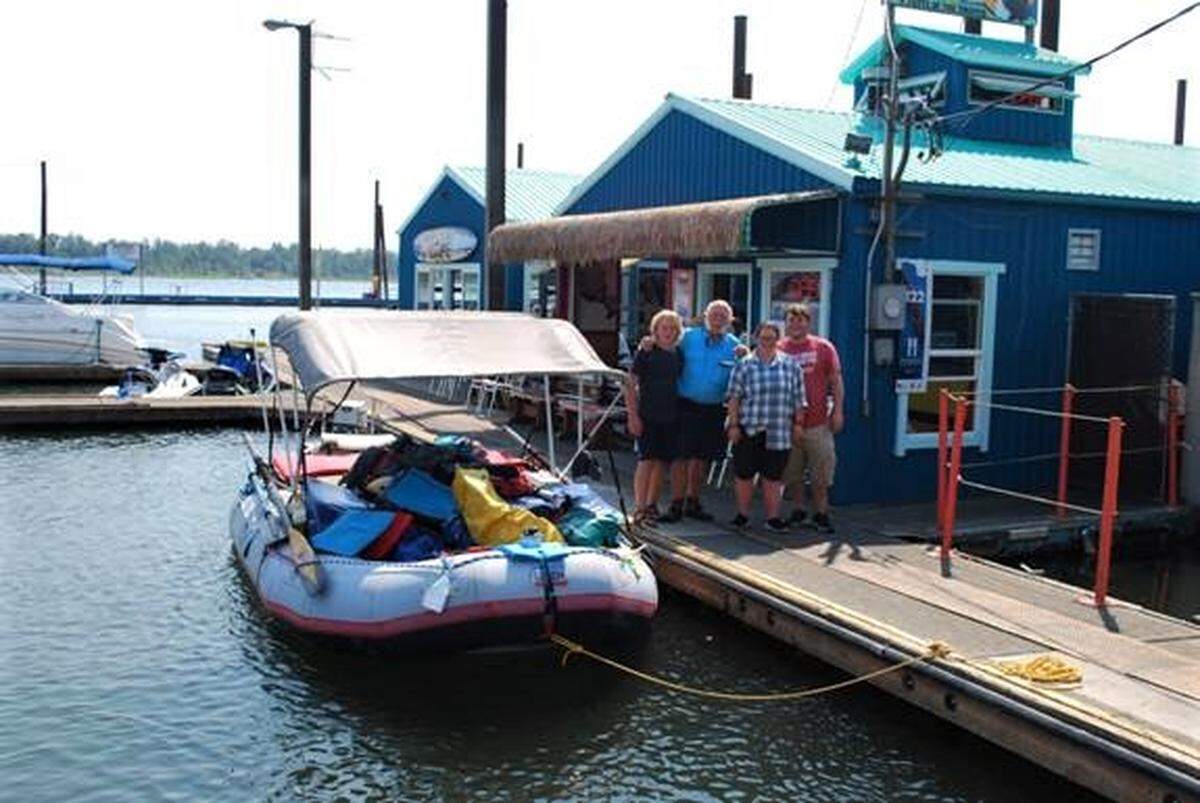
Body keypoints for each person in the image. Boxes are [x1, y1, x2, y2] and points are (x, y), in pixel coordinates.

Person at [653, 300, 744, 523]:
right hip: (685, 404)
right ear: (705, 317)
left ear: (730, 321)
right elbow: (663, 344)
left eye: (723, 316)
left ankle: (693, 501)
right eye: (714, 315)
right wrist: (648, 343)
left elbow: (743, 376)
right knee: (680, 456)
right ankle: (676, 503)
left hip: (714, 408)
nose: (718, 320)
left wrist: (746, 354)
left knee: (701, 458)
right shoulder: (688, 337)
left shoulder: (735, 346)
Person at [726, 321, 806, 532]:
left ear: (778, 340)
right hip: (750, 427)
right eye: (763, 338)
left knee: (773, 476)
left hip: (779, 430)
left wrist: (798, 424)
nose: (767, 342)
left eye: (771, 338)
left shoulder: (791, 365)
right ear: (756, 338)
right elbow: (734, 398)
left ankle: (773, 518)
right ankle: (743, 515)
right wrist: (733, 425)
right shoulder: (744, 365)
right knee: (744, 474)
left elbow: (799, 399)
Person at [778, 302, 844, 534]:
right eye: (791, 320)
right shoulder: (778, 348)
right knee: (793, 471)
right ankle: (798, 510)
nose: (796, 324)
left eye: (801, 320)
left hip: (818, 422)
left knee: (821, 471)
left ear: (808, 323)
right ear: (786, 324)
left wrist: (838, 410)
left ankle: (821, 513)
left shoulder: (824, 347)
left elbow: (836, 381)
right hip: (787, 424)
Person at [624, 310, 683, 524]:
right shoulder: (646, 351)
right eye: (664, 328)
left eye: (672, 328)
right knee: (646, 460)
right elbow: (630, 384)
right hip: (647, 414)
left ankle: (651, 505)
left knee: (661, 462)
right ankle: (639, 508)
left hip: (671, 414)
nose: (668, 332)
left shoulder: (678, 354)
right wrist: (632, 416)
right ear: (655, 330)